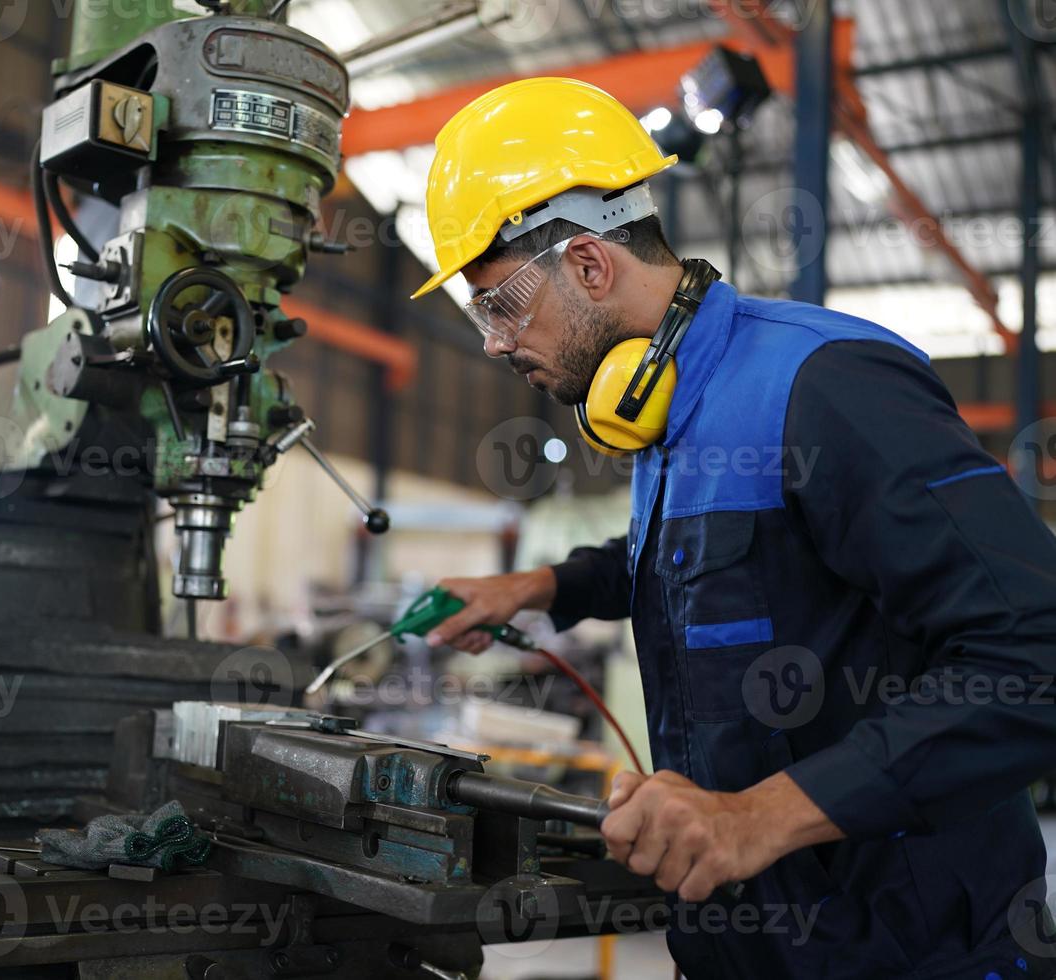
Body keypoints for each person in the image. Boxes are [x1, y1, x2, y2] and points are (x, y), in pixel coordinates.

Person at [410, 77, 1056, 979]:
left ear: (591, 265)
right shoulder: (660, 418)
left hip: (907, 951)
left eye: (498, 304)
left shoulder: (826, 385)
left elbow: (1034, 651)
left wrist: (758, 817)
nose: (491, 341)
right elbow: (703, 566)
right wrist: (543, 587)